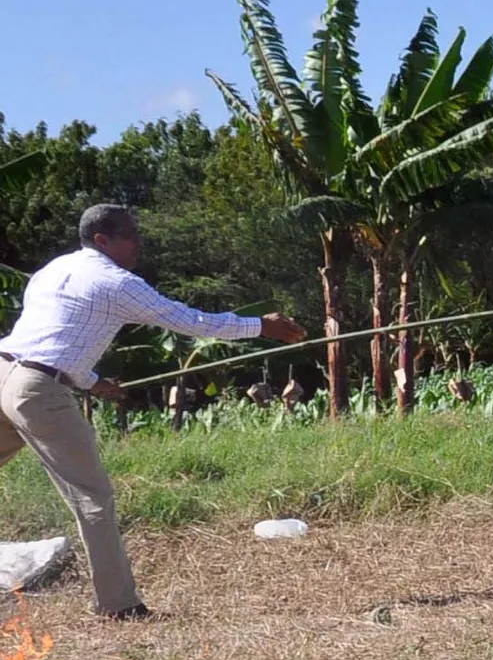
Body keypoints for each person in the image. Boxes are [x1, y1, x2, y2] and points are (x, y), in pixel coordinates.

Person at [0, 204, 306, 620]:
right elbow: (191, 321)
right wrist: (260, 326)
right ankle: (119, 606)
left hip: (6, 372)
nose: (138, 242)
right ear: (102, 240)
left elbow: (49, 338)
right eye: (129, 235)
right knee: (93, 499)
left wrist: (90, 382)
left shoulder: (54, 269)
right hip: (36, 392)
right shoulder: (116, 282)